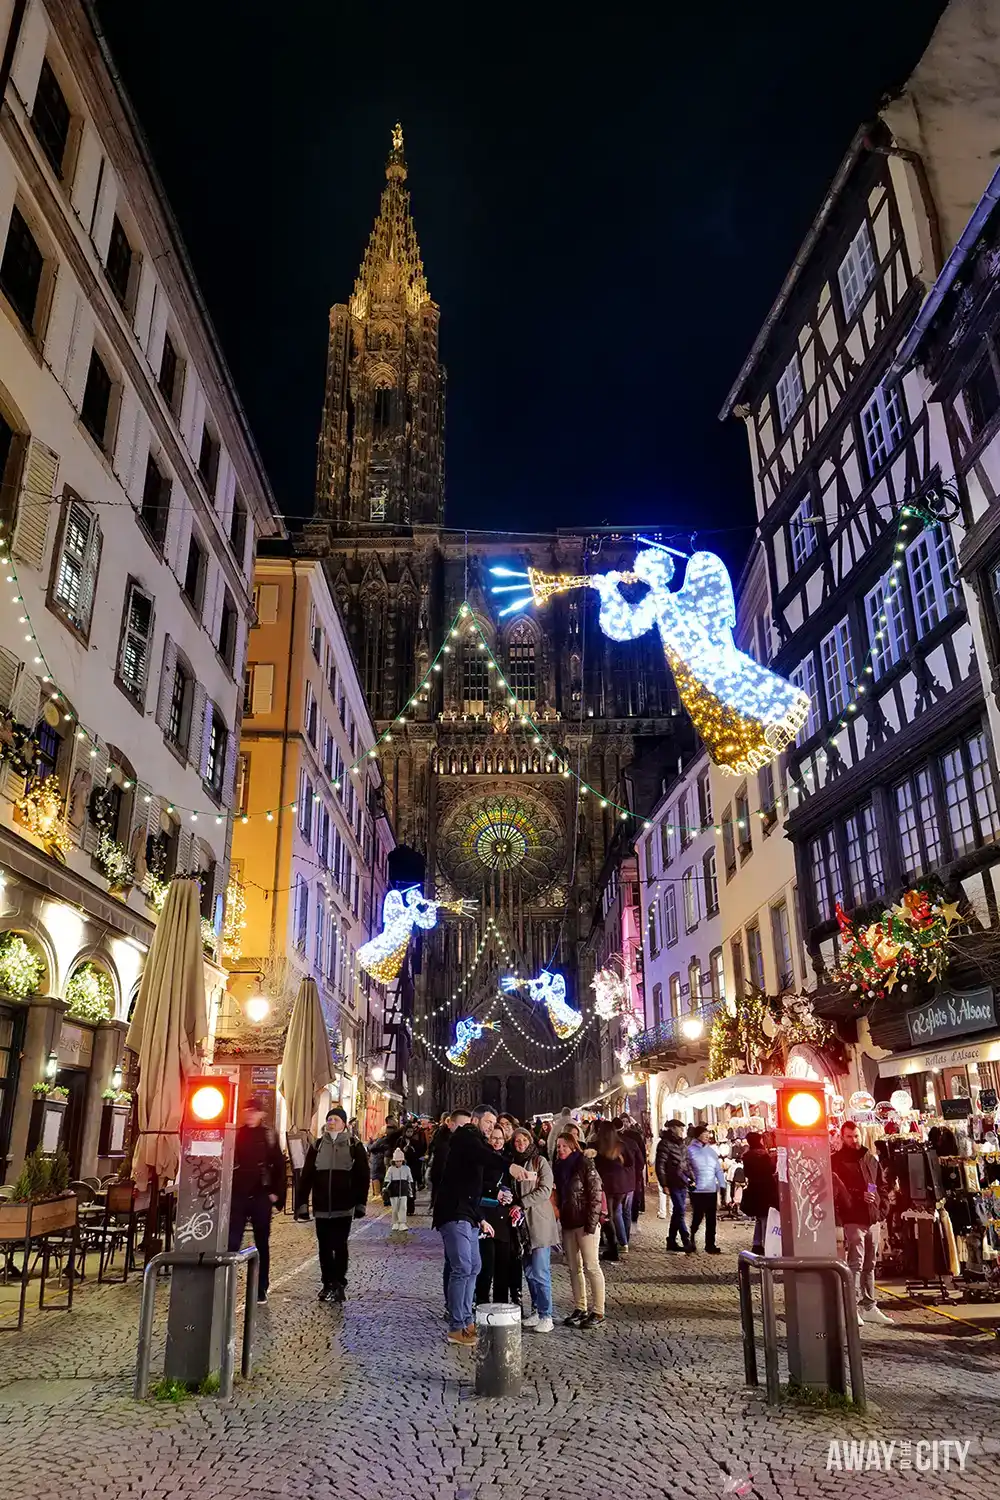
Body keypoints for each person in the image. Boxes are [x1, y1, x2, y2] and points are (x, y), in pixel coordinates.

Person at [432, 1106, 531, 1345]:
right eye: (488, 1121)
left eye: (494, 1122)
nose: (491, 1126)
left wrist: (481, 1218)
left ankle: (467, 1321)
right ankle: (456, 1326)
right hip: (454, 1212)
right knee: (462, 1267)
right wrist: (510, 1166)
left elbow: (476, 1184)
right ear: (475, 1120)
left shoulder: (477, 1144)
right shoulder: (466, 1136)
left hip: (470, 1214)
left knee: (474, 1266)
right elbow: (485, 1157)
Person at [297, 1107, 371, 1302]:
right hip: (321, 1206)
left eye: (336, 1119)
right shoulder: (318, 1145)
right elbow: (306, 1176)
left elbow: (363, 1176)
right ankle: (326, 1282)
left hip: (343, 1205)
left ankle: (339, 1283)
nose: (331, 1122)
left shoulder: (354, 1145)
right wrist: (301, 1203)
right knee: (323, 1246)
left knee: (339, 1245)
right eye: (329, 1118)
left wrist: (361, 1203)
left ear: (344, 1123)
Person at [831, 1120, 892, 1326]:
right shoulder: (837, 1161)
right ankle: (852, 1307)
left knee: (870, 1264)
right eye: (849, 1136)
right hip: (853, 1218)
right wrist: (859, 1196)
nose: (854, 1140)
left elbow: (879, 1185)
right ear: (842, 1137)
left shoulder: (870, 1157)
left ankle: (869, 1305)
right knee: (855, 1264)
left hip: (872, 1218)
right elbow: (838, 1191)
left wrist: (881, 1207)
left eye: (856, 1136)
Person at [228, 1096, 286, 1304]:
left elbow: (279, 1165)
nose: (250, 1114)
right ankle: (226, 1285)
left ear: (261, 1114)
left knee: (262, 1242)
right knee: (232, 1241)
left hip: (261, 1194)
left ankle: (261, 1287)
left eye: (254, 1111)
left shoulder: (269, 1135)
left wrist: (275, 1194)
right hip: (239, 1195)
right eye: (247, 1110)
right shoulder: (236, 1134)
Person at [552, 1131, 605, 1328]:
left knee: (591, 1266)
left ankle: (598, 1311)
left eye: (565, 1146)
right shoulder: (558, 1167)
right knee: (574, 1268)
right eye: (558, 1147)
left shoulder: (584, 1163)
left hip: (584, 1223)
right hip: (568, 1224)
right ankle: (580, 1307)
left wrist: (591, 1224)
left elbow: (596, 1194)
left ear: (574, 1146)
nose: (561, 1150)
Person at [510, 1125, 558, 1333]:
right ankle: (537, 1310)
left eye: (523, 1140)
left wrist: (521, 1203)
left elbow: (545, 1190)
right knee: (529, 1272)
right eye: (516, 1141)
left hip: (538, 1222)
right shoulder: (512, 1163)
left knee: (540, 1271)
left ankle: (547, 1315)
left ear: (530, 1141)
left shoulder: (540, 1162)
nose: (520, 1144)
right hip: (521, 1226)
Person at [475, 1126, 517, 1309]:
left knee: (503, 1267)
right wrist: (495, 1191)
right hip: (486, 1215)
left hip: (504, 1218)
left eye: (500, 1138)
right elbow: (477, 1184)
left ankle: (501, 1306)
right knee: (486, 1266)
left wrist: (511, 1197)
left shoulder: (508, 1160)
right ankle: (481, 1303)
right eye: (494, 1138)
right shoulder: (481, 1160)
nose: (497, 1141)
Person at [593, 1120, 631, 1261]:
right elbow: (630, 1162)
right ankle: (613, 1247)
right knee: (613, 1214)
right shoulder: (621, 1145)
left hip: (606, 1185)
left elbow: (595, 1166)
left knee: (606, 1216)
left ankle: (613, 1248)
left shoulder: (598, 1146)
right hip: (620, 1185)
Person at [656, 1120, 694, 1253]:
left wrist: (692, 1178)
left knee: (678, 1212)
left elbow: (686, 1163)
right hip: (672, 1181)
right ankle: (686, 1239)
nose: (682, 1130)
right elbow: (660, 1165)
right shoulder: (664, 1144)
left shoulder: (682, 1144)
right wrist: (664, 1184)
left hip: (682, 1181)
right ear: (673, 1128)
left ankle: (671, 1240)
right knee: (680, 1210)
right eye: (679, 1128)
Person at [688, 1124, 726, 1254]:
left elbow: (718, 1170)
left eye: (708, 1134)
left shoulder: (711, 1152)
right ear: (698, 1136)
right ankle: (691, 1237)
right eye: (705, 1134)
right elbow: (685, 1169)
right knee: (698, 1216)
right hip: (697, 1190)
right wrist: (689, 1182)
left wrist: (722, 1185)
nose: (707, 1136)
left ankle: (710, 1244)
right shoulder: (690, 1150)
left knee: (711, 1218)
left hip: (711, 1189)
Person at [740, 1131, 778, 1255]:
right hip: (766, 1188)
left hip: (753, 1188)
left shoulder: (747, 1156)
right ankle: (765, 1243)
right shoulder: (763, 1155)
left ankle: (757, 1243)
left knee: (758, 1218)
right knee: (765, 1217)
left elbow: (746, 1173)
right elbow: (771, 1169)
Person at [384, 1146, 415, 1233]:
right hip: (393, 1192)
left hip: (404, 1191)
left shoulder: (406, 1169)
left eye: (400, 1161)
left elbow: (410, 1180)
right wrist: (385, 1187)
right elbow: (387, 1179)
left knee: (403, 1207)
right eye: (397, 1161)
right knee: (395, 1208)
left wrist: (411, 1192)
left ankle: (402, 1222)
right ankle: (395, 1222)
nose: (399, 1163)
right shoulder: (390, 1169)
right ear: (394, 1161)